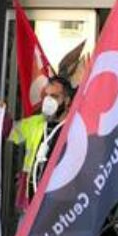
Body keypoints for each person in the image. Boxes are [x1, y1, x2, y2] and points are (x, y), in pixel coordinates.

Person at [9, 76, 72, 210]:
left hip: (56, 208)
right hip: (30, 205)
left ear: (67, 101)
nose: (48, 101)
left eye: (54, 96)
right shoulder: (36, 123)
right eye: (46, 95)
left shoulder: (73, 129)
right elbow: (9, 131)